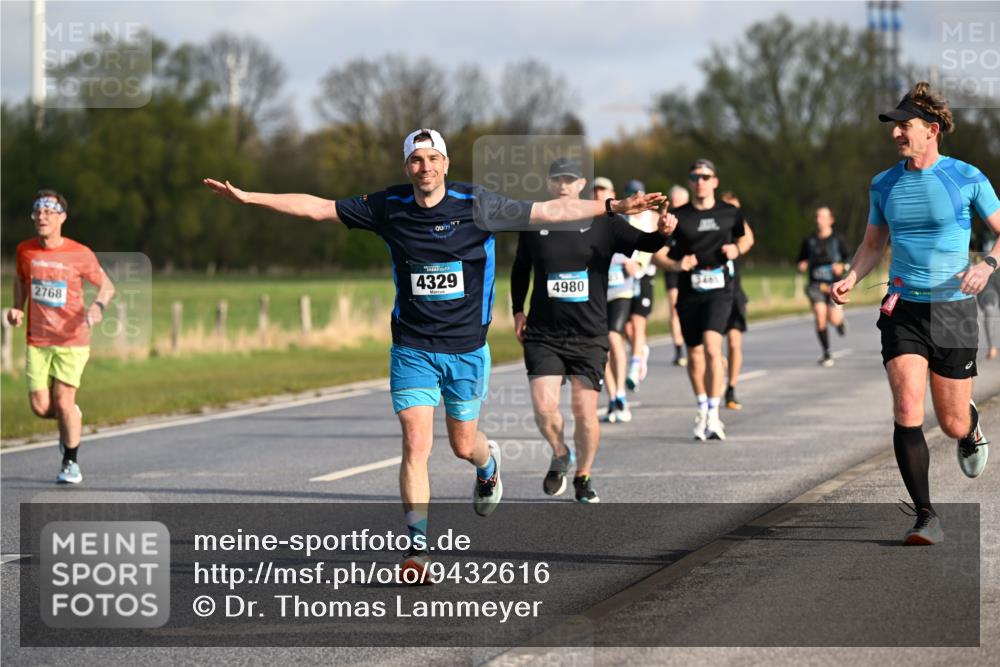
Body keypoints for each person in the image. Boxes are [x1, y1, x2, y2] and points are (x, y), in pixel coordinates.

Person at [204, 130, 664, 574]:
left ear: (446, 163)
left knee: (464, 444)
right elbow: (319, 208)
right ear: (407, 166)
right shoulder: (389, 205)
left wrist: (612, 207)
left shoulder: (477, 203)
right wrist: (251, 198)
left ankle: (488, 465)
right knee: (415, 443)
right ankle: (417, 548)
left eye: (432, 158)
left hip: (465, 349)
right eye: (416, 160)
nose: (425, 167)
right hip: (412, 346)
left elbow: (546, 211)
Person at [831, 82, 1000, 545]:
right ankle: (926, 515)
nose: (896, 135)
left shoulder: (966, 178)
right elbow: (872, 243)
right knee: (907, 408)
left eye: (904, 126)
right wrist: (851, 276)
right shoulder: (884, 183)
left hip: (953, 310)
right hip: (903, 306)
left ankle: (969, 425)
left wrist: (986, 265)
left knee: (951, 423)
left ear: (933, 130)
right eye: (895, 127)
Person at [512, 166, 673, 503]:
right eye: (557, 179)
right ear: (549, 183)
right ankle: (560, 452)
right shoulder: (536, 220)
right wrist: (517, 310)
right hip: (544, 332)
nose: (563, 185)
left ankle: (583, 475)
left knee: (584, 411)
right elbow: (520, 269)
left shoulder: (605, 222)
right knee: (544, 406)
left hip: (588, 333)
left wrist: (663, 233)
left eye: (570, 179)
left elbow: (645, 243)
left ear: (582, 185)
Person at [7, 190, 115, 485]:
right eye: (37, 212)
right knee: (42, 407)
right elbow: (20, 280)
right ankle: (71, 420)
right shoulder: (25, 251)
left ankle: (70, 463)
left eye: (48, 212)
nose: (41, 217)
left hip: (72, 339)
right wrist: (18, 308)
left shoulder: (79, 253)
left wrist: (98, 308)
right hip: (37, 340)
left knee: (63, 400)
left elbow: (107, 286)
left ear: (62, 218)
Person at [652, 160, 751, 440]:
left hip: (720, 289)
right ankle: (702, 407)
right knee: (694, 355)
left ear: (715, 181)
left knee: (711, 347)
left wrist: (735, 248)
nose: (700, 181)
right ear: (690, 181)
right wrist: (676, 264)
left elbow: (746, 240)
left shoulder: (730, 213)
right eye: (695, 176)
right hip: (689, 291)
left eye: (705, 177)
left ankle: (714, 414)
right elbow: (657, 254)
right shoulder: (678, 215)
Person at [797, 206, 850, 367]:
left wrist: (843, 267)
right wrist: (802, 265)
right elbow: (800, 260)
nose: (819, 220)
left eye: (822, 217)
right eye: (817, 216)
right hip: (816, 286)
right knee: (820, 316)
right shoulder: (809, 240)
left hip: (834, 285)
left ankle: (839, 323)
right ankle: (826, 353)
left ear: (830, 220)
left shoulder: (838, 239)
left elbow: (850, 260)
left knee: (833, 319)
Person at [718, 191, 754, 410]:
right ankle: (719, 364)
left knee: (733, 342)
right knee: (709, 347)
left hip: (733, 293)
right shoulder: (714, 228)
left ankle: (730, 389)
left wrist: (737, 215)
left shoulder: (739, 233)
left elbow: (749, 240)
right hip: (709, 292)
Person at [622, 180, 657, 392]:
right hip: (623, 275)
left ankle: (634, 368)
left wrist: (640, 263)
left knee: (637, 322)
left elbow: (653, 244)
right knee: (626, 325)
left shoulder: (651, 218)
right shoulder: (621, 217)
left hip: (644, 275)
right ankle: (641, 350)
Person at [664, 185, 690, 367]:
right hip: (672, 268)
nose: (675, 203)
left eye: (679, 199)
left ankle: (693, 344)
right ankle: (678, 349)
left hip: (690, 269)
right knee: (674, 309)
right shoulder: (668, 221)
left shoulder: (691, 218)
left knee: (690, 308)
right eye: (673, 200)